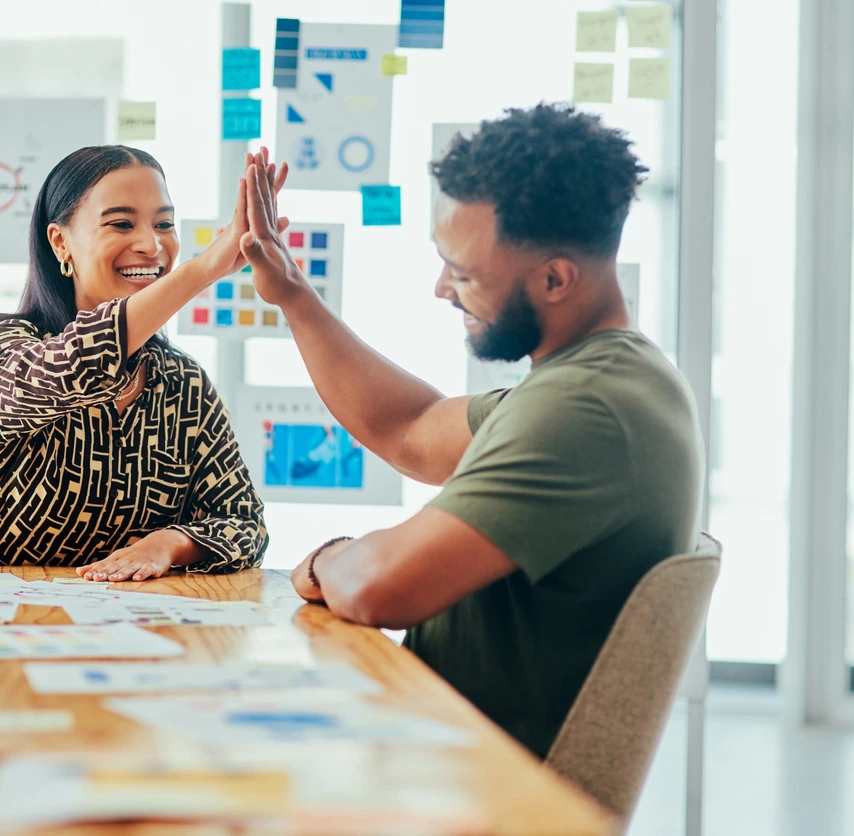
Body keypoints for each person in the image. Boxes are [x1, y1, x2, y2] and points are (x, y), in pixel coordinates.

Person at [238, 106, 704, 759]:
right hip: (443, 749)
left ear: (555, 278)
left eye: (462, 273)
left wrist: (324, 559)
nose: (441, 290)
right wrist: (293, 295)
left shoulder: (585, 410)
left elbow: (379, 589)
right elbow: (413, 431)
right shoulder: (611, 376)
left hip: (474, 783)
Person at [0, 146, 289, 581]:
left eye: (164, 224)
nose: (152, 245)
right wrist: (202, 270)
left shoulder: (184, 383)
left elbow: (244, 524)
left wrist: (171, 543)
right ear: (60, 242)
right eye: (121, 223)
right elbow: (72, 365)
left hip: (128, 626)